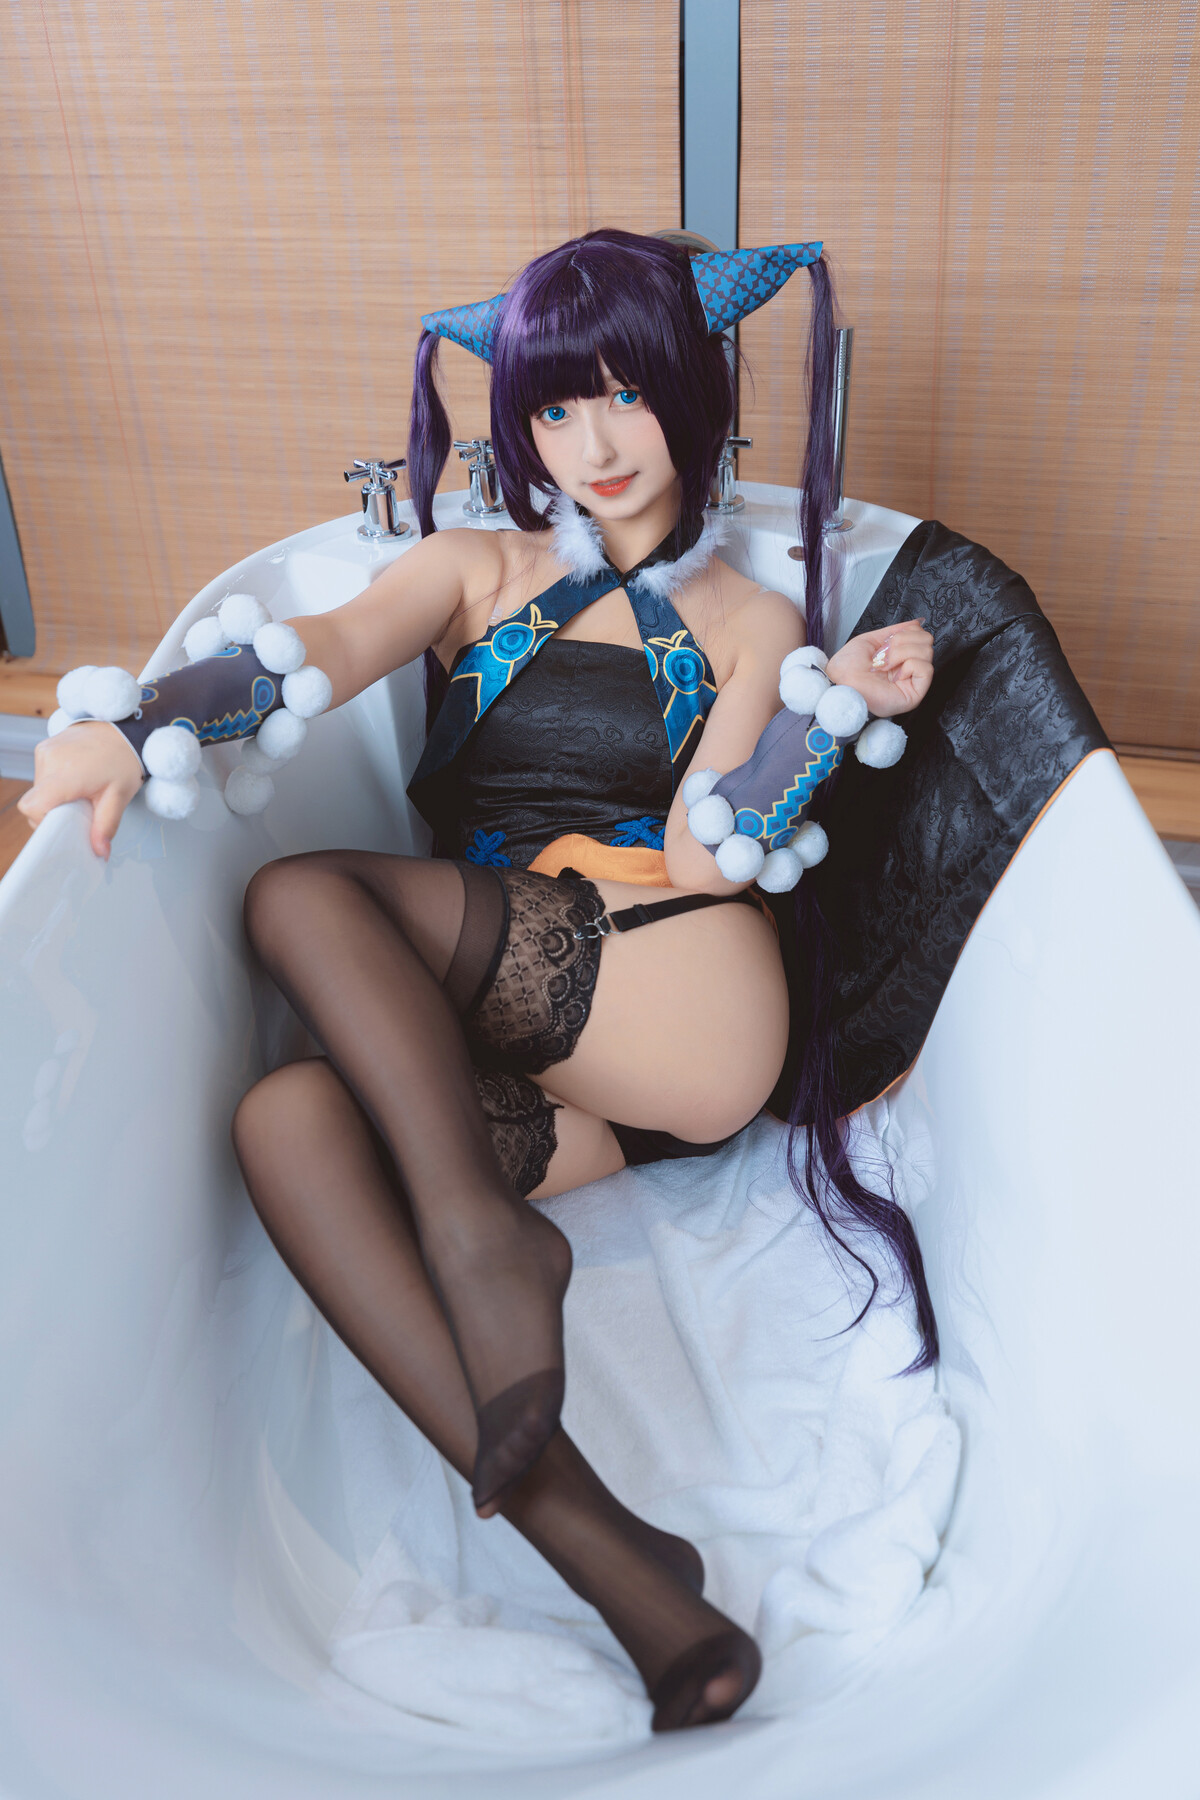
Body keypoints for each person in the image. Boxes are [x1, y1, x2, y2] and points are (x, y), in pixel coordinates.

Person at [18, 229, 934, 1730]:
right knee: (286, 1122)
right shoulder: (469, 570)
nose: (597, 446)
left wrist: (825, 715)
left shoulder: (749, 619)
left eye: (628, 396)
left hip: (681, 995)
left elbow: (710, 855)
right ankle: (628, 1572)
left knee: (299, 895)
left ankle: (481, 1242)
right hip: (548, 1068)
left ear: (695, 392)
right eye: (558, 409)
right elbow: (310, 651)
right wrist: (136, 727)